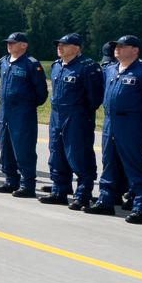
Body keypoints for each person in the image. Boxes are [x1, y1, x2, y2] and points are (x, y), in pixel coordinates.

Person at [88, 36, 142, 221]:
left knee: (134, 164)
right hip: (110, 122)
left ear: (135, 50)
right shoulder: (111, 70)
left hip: (131, 124)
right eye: (116, 46)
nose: (117, 49)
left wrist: (136, 118)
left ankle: (140, 206)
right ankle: (106, 200)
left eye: (122, 46)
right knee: (109, 162)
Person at [43, 33, 104, 208]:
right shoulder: (57, 66)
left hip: (77, 116)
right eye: (58, 44)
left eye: (64, 45)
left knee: (79, 155)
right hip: (57, 116)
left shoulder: (87, 67)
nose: (59, 47)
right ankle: (59, 191)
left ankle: (83, 195)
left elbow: (94, 97)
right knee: (57, 153)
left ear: (76, 48)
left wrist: (83, 114)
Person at [0, 32, 47, 195]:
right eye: (8, 42)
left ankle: (27, 184)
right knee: (5, 147)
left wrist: (26, 105)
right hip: (5, 112)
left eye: (13, 42)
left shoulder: (31, 64)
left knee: (24, 149)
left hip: (22, 113)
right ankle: (11, 180)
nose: (9, 45)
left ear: (24, 45)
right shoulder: (4, 62)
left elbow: (41, 93)